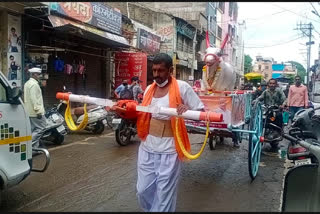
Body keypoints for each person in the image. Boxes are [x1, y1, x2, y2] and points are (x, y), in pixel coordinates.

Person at [136, 53, 204, 212]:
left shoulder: (182, 87)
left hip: (170, 149)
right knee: (142, 190)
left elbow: (200, 110)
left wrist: (186, 109)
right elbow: (141, 112)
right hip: (147, 146)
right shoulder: (148, 90)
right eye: (154, 71)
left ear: (170, 70)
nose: (156, 75)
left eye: (161, 71)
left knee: (164, 194)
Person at [24, 67, 46, 148]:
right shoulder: (34, 85)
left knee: (33, 129)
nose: (40, 76)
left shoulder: (27, 83)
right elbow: (34, 99)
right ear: (34, 74)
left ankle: (34, 148)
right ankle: (31, 145)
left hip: (29, 111)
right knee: (41, 128)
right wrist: (38, 111)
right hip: (35, 112)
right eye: (39, 74)